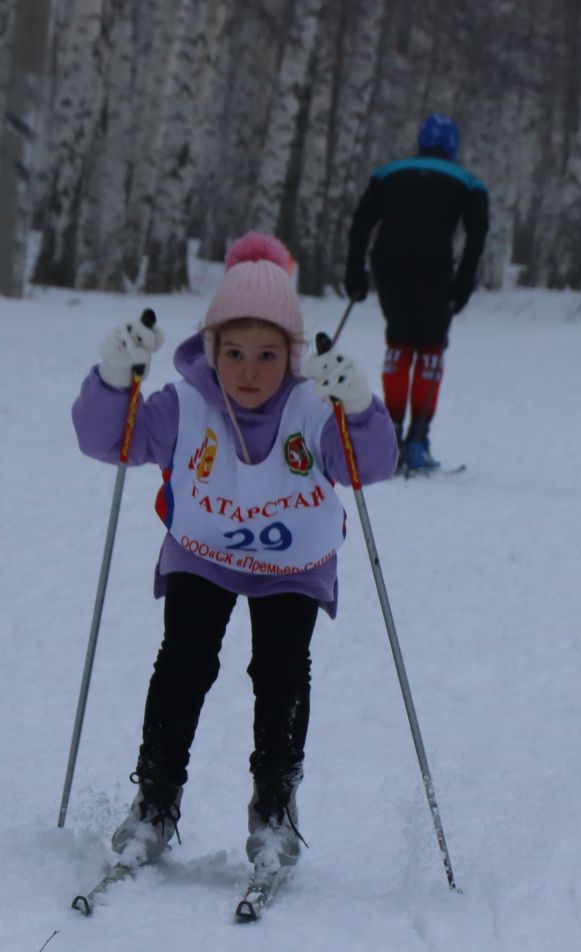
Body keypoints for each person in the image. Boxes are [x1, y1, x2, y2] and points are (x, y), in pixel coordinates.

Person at [71, 232, 397, 888]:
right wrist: (114, 378)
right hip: (204, 553)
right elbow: (109, 441)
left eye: (269, 355)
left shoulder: (314, 406)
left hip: (293, 565)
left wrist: (358, 408)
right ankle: (155, 801)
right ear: (210, 348)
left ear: (294, 356)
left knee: (280, 674)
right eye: (235, 353)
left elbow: (373, 466)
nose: (250, 371)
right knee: (184, 665)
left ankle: (274, 808)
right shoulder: (185, 403)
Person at [344, 113, 490, 475]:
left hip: (388, 263)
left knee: (399, 342)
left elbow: (362, 222)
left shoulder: (389, 172)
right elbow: (477, 234)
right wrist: (464, 281)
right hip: (435, 268)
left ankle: (390, 438)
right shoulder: (469, 183)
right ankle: (417, 443)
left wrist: (355, 272)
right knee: (430, 349)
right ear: (453, 146)